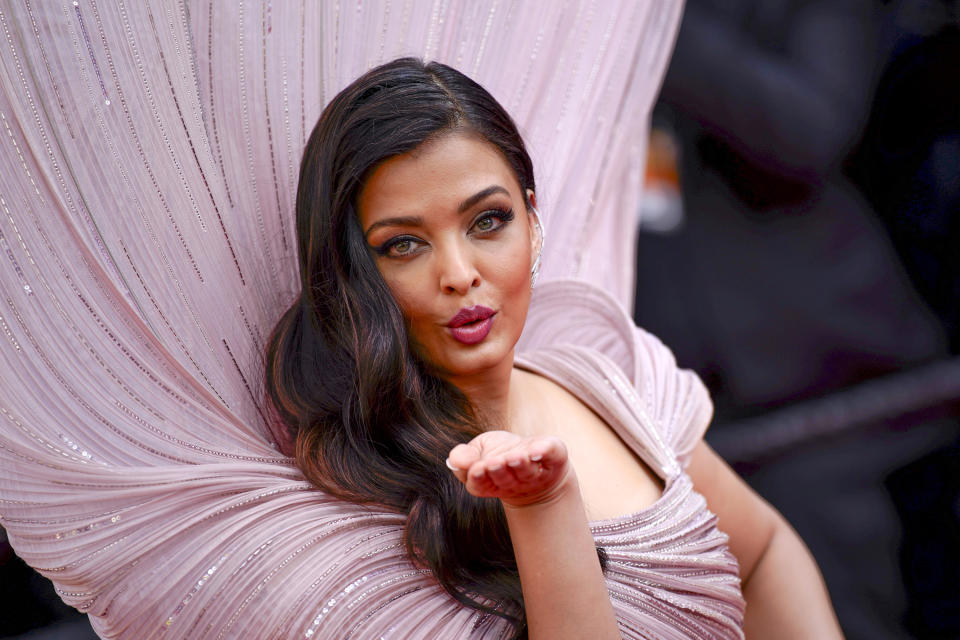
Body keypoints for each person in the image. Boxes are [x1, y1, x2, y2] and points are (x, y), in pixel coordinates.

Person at [261, 56, 842, 639]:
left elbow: (763, 556)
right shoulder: (352, 517)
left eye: (488, 221)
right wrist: (543, 508)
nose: (459, 274)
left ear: (533, 221)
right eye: (404, 244)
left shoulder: (611, 382)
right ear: (349, 271)